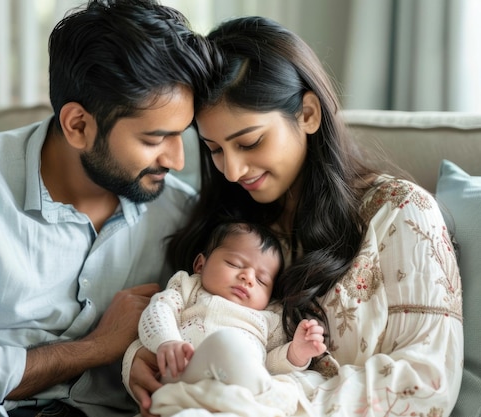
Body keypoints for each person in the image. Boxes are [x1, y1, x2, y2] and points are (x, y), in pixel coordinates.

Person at [0, 1, 216, 417]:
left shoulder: (180, 211)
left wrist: (142, 350)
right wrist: (95, 348)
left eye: (182, 135)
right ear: (78, 125)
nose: (176, 160)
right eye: (154, 138)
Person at [124, 16, 464, 417]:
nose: (232, 171)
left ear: (308, 114)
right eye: (215, 149)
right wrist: (138, 359)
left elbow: (426, 382)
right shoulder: (228, 226)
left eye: (249, 142)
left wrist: (264, 397)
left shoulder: (401, 212)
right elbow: (184, 313)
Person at [137, 222, 326, 416]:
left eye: (262, 280)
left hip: (230, 401)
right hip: (182, 382)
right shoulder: (189, 288)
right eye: (234, 264)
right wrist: (167, 340)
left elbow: (268, 364)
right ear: (200, 265)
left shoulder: (268, 318)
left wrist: (296, 353)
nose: (248, 278)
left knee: (313, 378)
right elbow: (159, 310)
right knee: (226, 342)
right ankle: (272, 403)